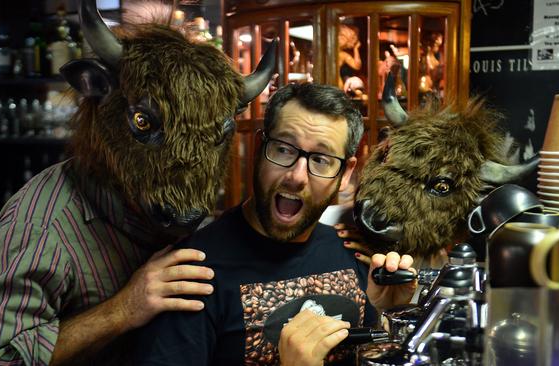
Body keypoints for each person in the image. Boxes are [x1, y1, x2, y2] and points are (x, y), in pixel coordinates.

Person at [0, 1, 276, 363]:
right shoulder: (43, 223)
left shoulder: (192, 221)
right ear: (96, 86)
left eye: (215, 134)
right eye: (144, 124)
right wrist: (122, 310)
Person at [132, 83, 417, 365]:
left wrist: (392, 315)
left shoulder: (353, 252)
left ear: (345, 173)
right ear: (259, 148)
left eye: (321, 159)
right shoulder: (191, 273)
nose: (297, 176)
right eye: (283, 149)